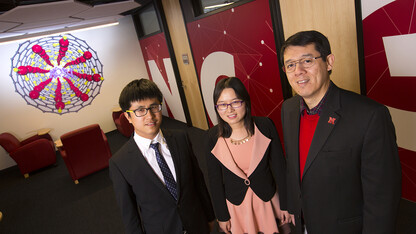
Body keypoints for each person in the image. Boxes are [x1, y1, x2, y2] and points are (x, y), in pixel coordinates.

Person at [280, 30, 401, 234]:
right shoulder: (289, 109)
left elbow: (382, 199)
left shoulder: (370, 116)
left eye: (307, 61)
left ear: (329, 62)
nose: (298, 71)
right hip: (303, 225)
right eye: (290, 65)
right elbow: (294, 167)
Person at [109, 79, 214, 234]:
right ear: (128, 117)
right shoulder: (120, 162)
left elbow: (198, 181)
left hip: (197, 223)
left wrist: (210, 217)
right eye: (140, 110)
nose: (150, 116)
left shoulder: (181, 138)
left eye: (154, 107)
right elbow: (129, 215)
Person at [205, 77, 290, 234]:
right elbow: (214, 180)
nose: (229, 110)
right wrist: (222, 216)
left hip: (268, 202)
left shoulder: (265, 126)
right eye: (222, 105)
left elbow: (280, 168)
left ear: (246, 101)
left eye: (235, 102)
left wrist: (286, 204)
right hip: (237, 208)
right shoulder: (212, 136)